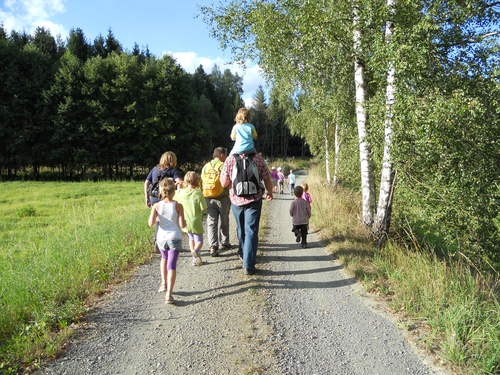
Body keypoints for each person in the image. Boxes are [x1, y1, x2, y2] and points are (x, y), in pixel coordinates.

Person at [220, 153, 273, 275]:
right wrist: (270, 192)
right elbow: (267, 178)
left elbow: (223, 183)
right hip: (254, 200)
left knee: (241, 228)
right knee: (251, 230)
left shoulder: (230, 159)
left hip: (236, 200)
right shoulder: (258, 159)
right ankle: (248, 265)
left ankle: (243, 253)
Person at [148, 178, 186, 304]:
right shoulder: (178, 206)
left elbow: (151, 223)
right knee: (172, 265)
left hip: (161, 238)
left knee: (163, 259)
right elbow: (182, 224)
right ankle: (169, 294)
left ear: (161, 190)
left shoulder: (156, 205)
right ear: (174, 190)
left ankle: (163, 283)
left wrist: (159, 219)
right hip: (174, 237)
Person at [201, 147, 232, 257]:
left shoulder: (206, 167)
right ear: (222, 155)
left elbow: (201, 183)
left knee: (211, 222)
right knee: (224, 220)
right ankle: (224, 243)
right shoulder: (223, 166)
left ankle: (213, 246)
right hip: (222, 197)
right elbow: (229, 181)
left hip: (208, 198)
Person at [176, 171, 207, 266]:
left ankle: (194, 260)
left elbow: (176, 194)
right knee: (199, 241)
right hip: (196, 221)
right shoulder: (198, 193)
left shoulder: (181, 192)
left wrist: (179, 186)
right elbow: (204, 209)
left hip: (185, 221)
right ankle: (196, 251)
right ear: (197, 181)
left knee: (191, 239)